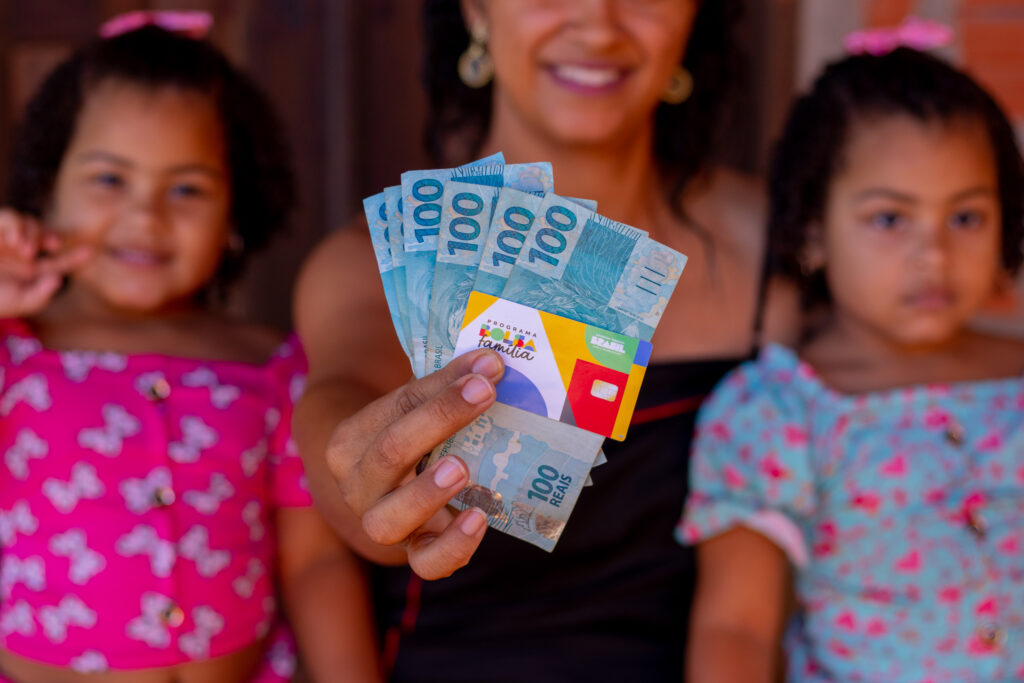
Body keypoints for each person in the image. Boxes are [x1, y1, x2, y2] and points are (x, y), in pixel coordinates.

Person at [293, 0, 795, 680]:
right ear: (476, 10)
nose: (598, 23)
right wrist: (365, 473)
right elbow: (342, 407)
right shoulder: (367, 268)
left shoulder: (781, 256)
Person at [0, 15, 380, 683]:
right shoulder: (15, 349)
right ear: (47, 189)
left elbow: (314, 562)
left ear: (236, 212)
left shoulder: (275, 367)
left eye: (186, 188)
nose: (146, 217)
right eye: (109, 180)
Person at [681, 42, 1024, 682]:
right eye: (890, 218)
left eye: (966, 216)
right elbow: (736, 629)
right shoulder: (779, 412)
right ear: (814, 229)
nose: (934, 255)